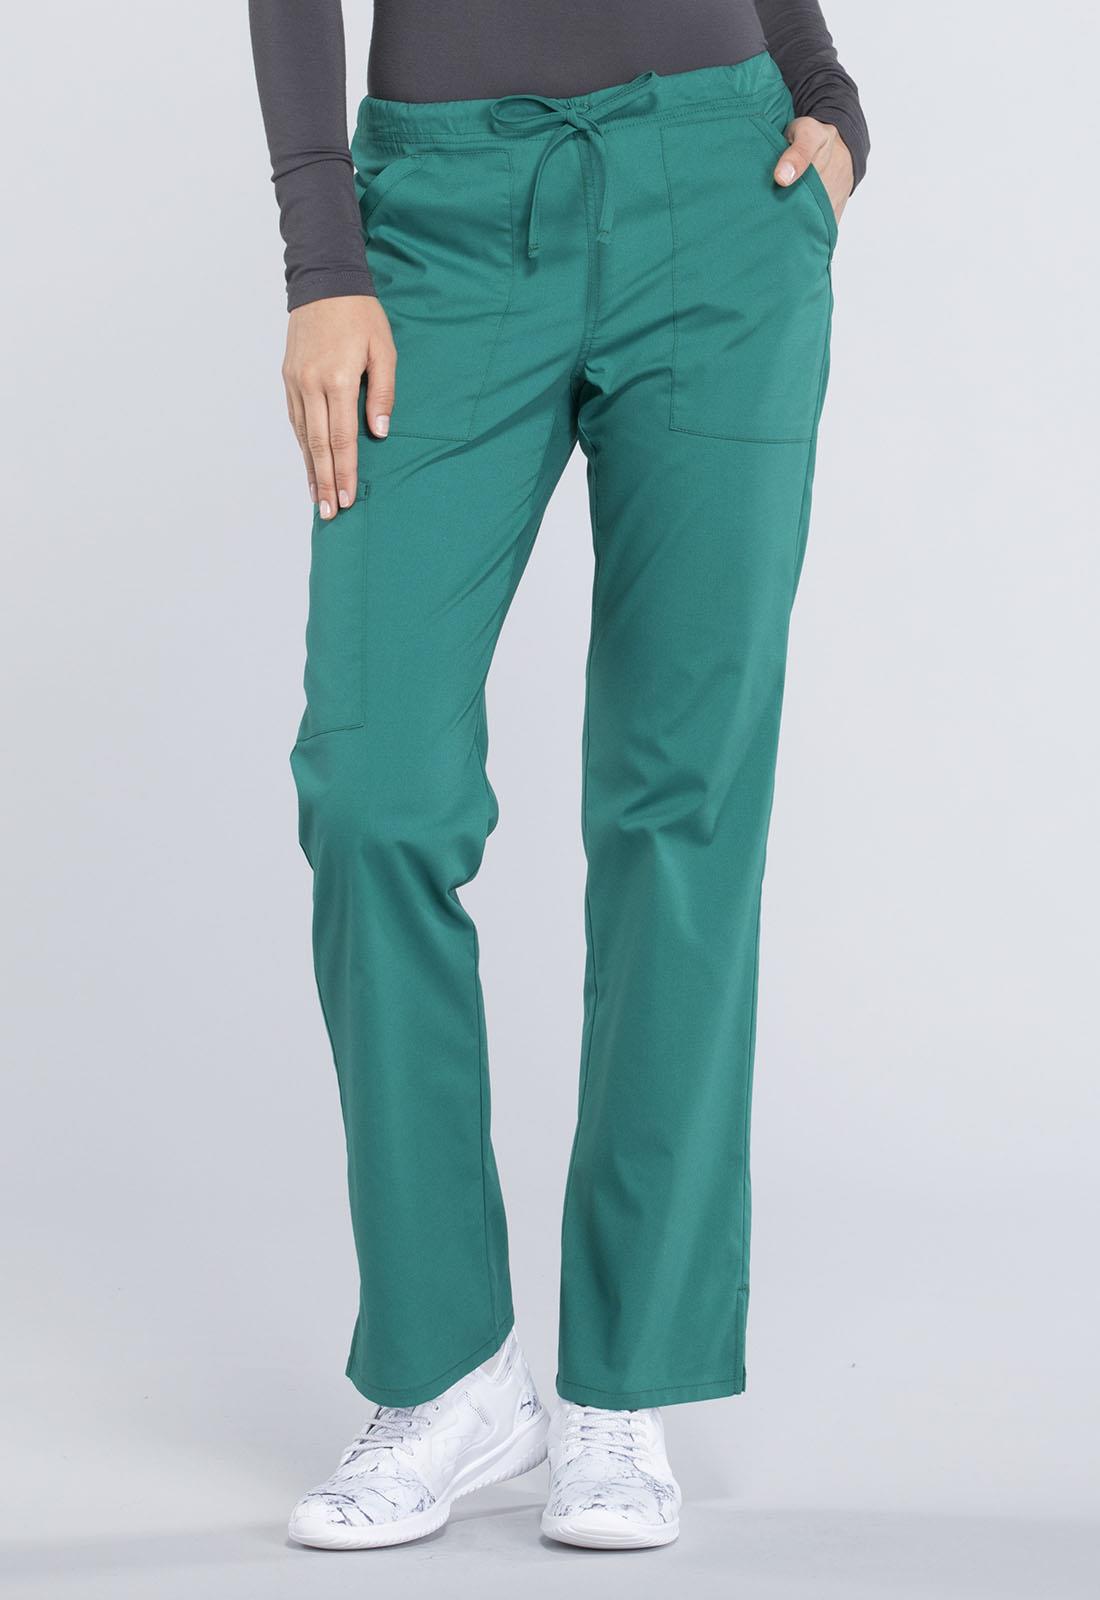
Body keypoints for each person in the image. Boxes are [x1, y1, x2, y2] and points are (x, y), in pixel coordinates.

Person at [249, 0, 868, 1553]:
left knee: (683, 801)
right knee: (373, 788)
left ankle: (621, 1381)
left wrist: (826, 92)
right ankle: (448, 1372)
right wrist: (324, 260)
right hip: (439, 218)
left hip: (723, 198)